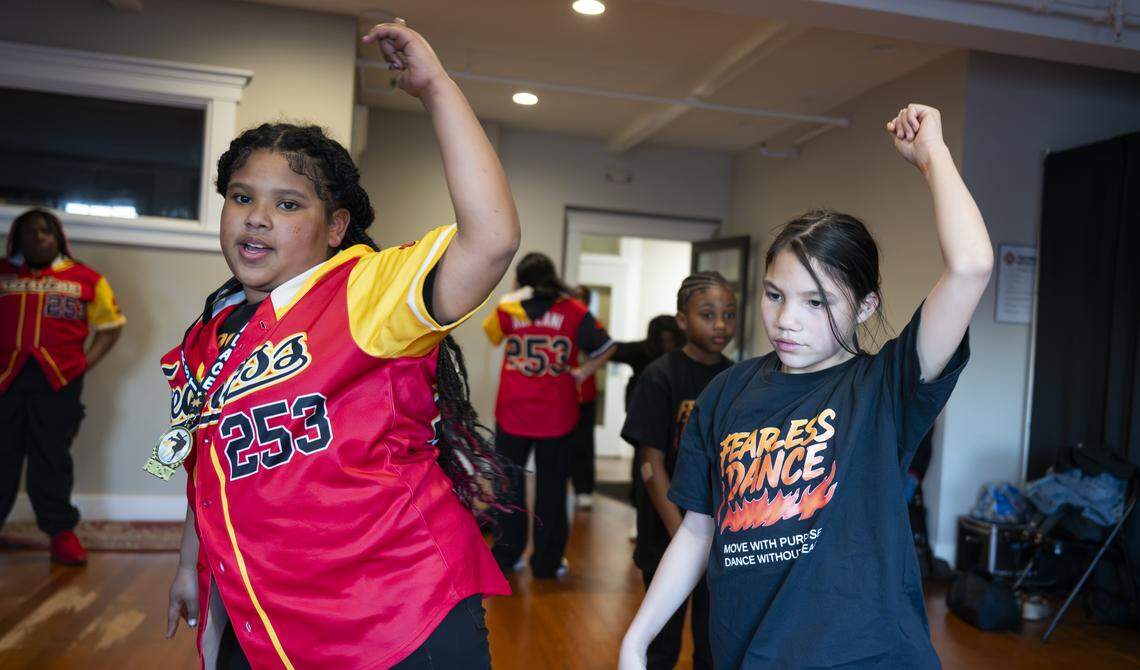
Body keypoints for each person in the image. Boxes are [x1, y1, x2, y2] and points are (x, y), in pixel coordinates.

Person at [161, 19, 520, 669]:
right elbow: (206, 467)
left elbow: (491, 239)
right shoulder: (208, 335)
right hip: (268, 615)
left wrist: (436, 87)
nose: (258, 217)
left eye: (289, 204)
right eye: (242, 197)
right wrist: (191, 565)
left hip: (400, 615)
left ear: (337, 227)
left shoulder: (366, 292)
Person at [621, 103, 993, 669]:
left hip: (866, 655)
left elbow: (970, 266)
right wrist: (637, 638)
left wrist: (932, 157)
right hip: (746, 651)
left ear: (866, 306)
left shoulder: (884, 388)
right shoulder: (725, 393)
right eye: (775, 295)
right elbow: (699, 532)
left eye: (816, 303)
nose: (787, 319)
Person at [621, 272, 736, 669]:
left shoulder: (739, 379)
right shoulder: (660, 376)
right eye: (708, 314)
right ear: (683, 320)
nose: (721, 324)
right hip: (666, 535)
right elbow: (651, 464)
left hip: (723, 541)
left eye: (729, 314)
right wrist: (681, 537)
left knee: (714, 646)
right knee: (662, 645)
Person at [0, 208, 125, 565]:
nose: (38, 237)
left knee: (52, 458)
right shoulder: (3, 274)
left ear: (58, 236)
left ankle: (60, 532)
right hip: (4, 380)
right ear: (16, 238)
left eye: (45, 231)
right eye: (29, 232)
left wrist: (85, 363)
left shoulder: (86, 278)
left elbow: (111, 326)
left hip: (57, 381)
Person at [485, 253, 614, 578]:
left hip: (513, 409)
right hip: (557, 413)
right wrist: (583, 373)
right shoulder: (575, 310)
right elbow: (607, 346)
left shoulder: (509, 308)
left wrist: (512, 294)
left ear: (521, 280)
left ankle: (506, 556)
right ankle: (546, 562)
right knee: (553, 490)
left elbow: (492, 334)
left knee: (507, 486)